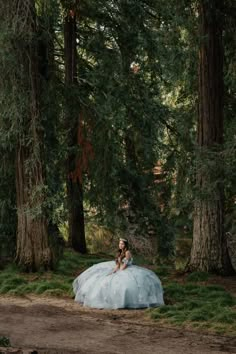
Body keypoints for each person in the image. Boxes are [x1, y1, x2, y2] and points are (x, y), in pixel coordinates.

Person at [72, 238, 164, 309]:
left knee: (127, 283)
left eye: (122, 244)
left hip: (126, 268)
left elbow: (125, 264)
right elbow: (118, 264)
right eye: (119, 243)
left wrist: (120, 270)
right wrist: (114, 271)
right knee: (105, 278)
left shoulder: (127, 252)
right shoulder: (120, 252)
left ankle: (126, 302)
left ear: (125, 245)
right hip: (120, 267)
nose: (120, 245)